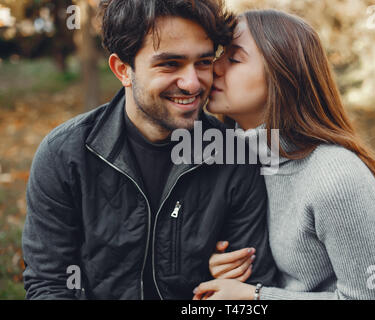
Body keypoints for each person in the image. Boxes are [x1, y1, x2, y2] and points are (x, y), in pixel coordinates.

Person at [22, 0, 278, 300]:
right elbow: (49, 285)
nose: (192, 83)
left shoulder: (235, 157)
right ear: (123, 70)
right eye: (170, 63)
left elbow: (250, 290)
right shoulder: (65, 155)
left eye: (204, 62)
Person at [193, 9, 375, 300]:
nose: (214, 67)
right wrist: (228, 268)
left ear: (283, 77)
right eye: (219, 54)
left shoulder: (336, 179)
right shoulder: (250, 163)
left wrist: (255, 297)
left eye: (235, 58)